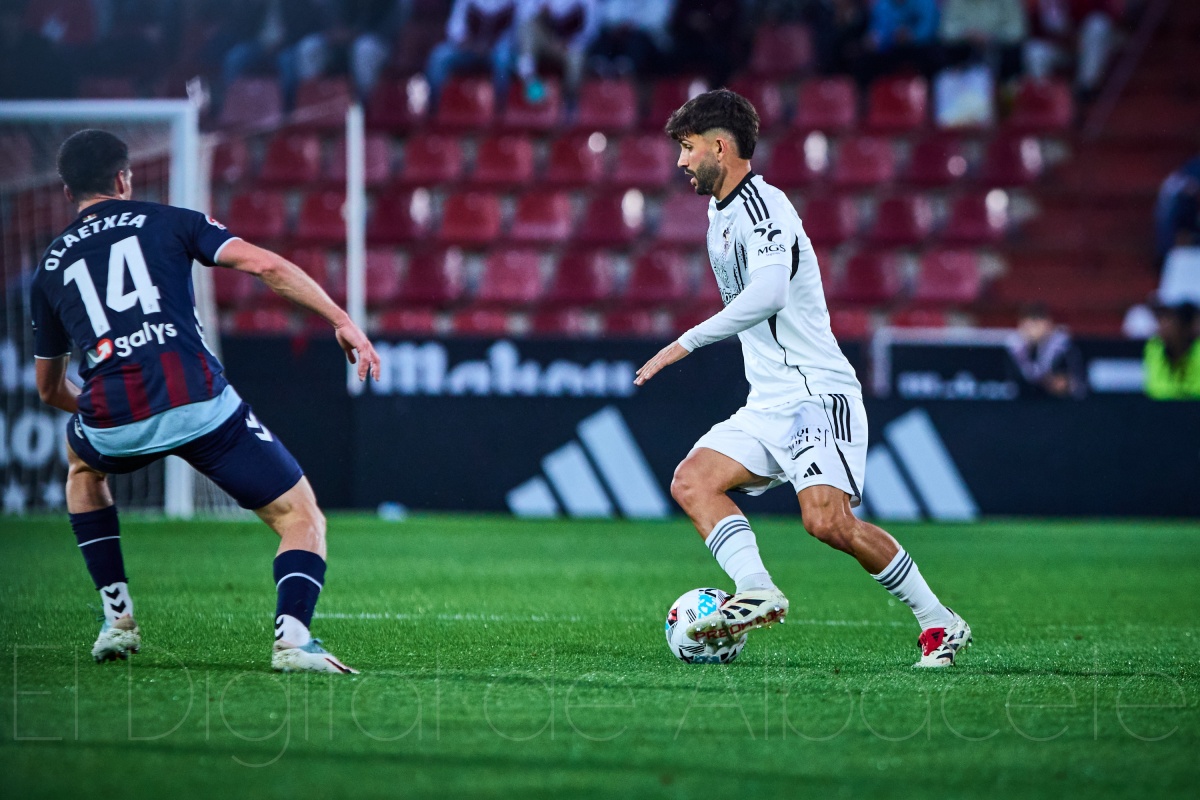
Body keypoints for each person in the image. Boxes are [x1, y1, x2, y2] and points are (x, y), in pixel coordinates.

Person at [636, 90, 970, 668]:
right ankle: (757, 589)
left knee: (827, 522)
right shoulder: (720, 214)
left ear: (721, 147)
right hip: (768, 401)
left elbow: (769, 293)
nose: (681, 161)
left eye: (688, 148)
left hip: (816, 394)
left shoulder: (766, 208)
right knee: (692, 481)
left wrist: (685, 342)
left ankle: (939, 621)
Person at [30, 130, 381, 673]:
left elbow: (49, 389)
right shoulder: (171, 220)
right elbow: (266, 267)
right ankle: (292, 640)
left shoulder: (50, 267)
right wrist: (342, 320)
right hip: (200, 405)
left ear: (66, 190)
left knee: (82, 466)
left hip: (113, 417)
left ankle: (117, 619)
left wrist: (111, 410)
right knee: (300, 516)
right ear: (123, 179)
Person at [424, 0, 520, 106]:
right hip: (468, 49)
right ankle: (433, 107)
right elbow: (454, 29)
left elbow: (518, 32)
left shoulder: (514, 2)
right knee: (439, 56)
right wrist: (469, 43)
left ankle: (501, 109)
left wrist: (496, 44)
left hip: (496, 51)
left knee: (503, 59)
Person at [1007, 302, 1086, 398]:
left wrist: (1064, 383)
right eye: (1029, 325)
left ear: (1048, 324)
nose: (1033, 330)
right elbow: (1012, 383)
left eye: (1037, 324)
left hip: (1057, 403)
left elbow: (1077, 384)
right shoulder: (1013, 346)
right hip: (1023, 401)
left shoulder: (1064, 346)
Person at [1144, 302, 1200, 400]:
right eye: (1161, 319)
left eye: (1170, 320)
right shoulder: (1155, 347)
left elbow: (1196, 390)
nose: (1162, 325)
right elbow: (1156, 389)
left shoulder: (1197, 348)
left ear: (1185, 326)